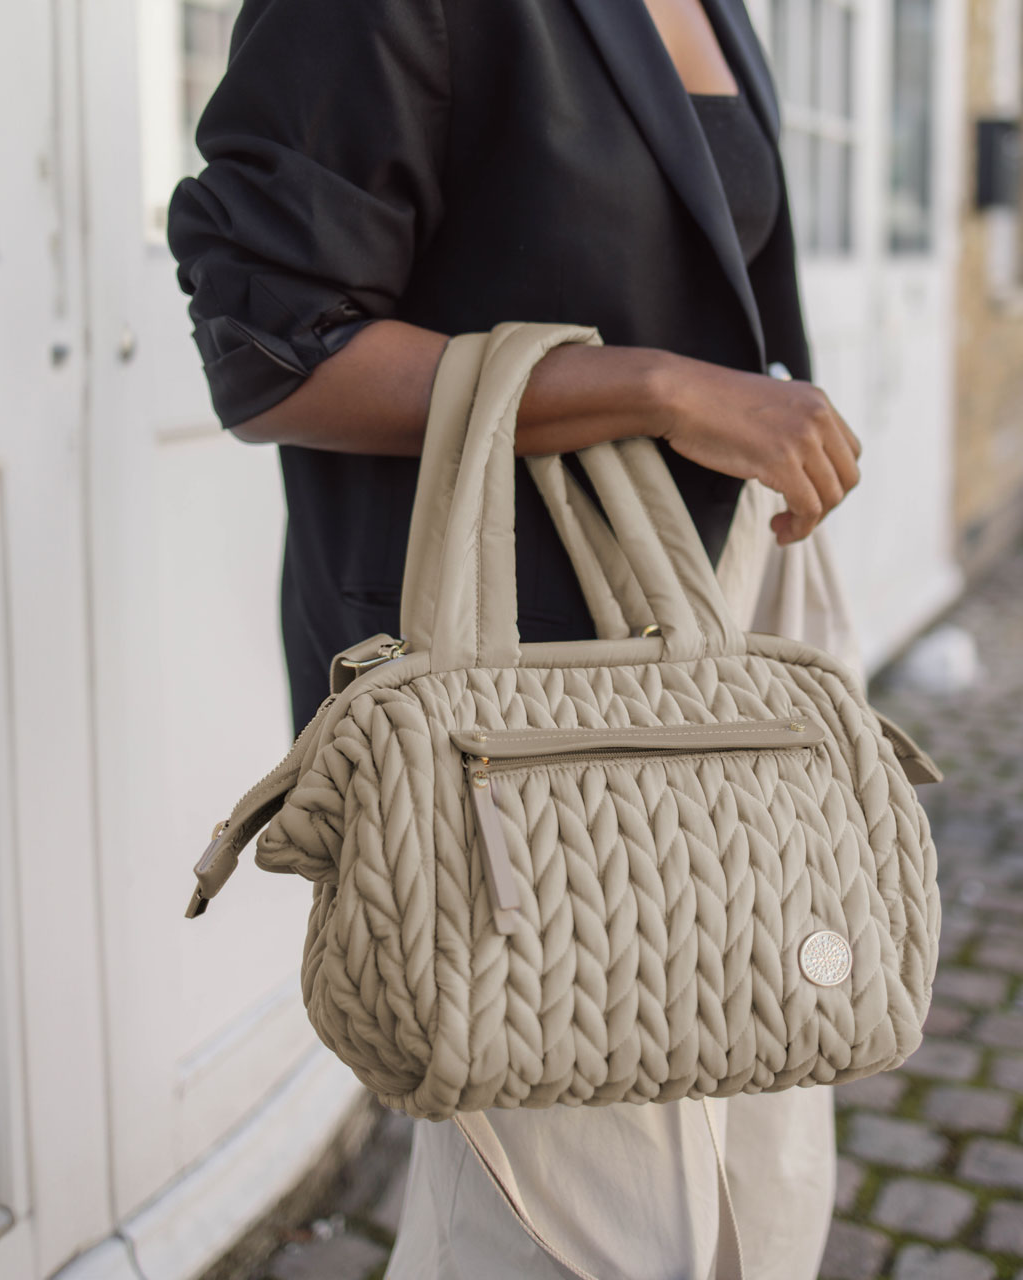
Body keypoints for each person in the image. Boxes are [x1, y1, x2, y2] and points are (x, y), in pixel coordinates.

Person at [167, 0, 863, 1276]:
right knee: (578, 1231)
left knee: (758, 1175)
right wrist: (651, 387)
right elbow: (273, 356)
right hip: (521, 724)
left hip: (709, 638)